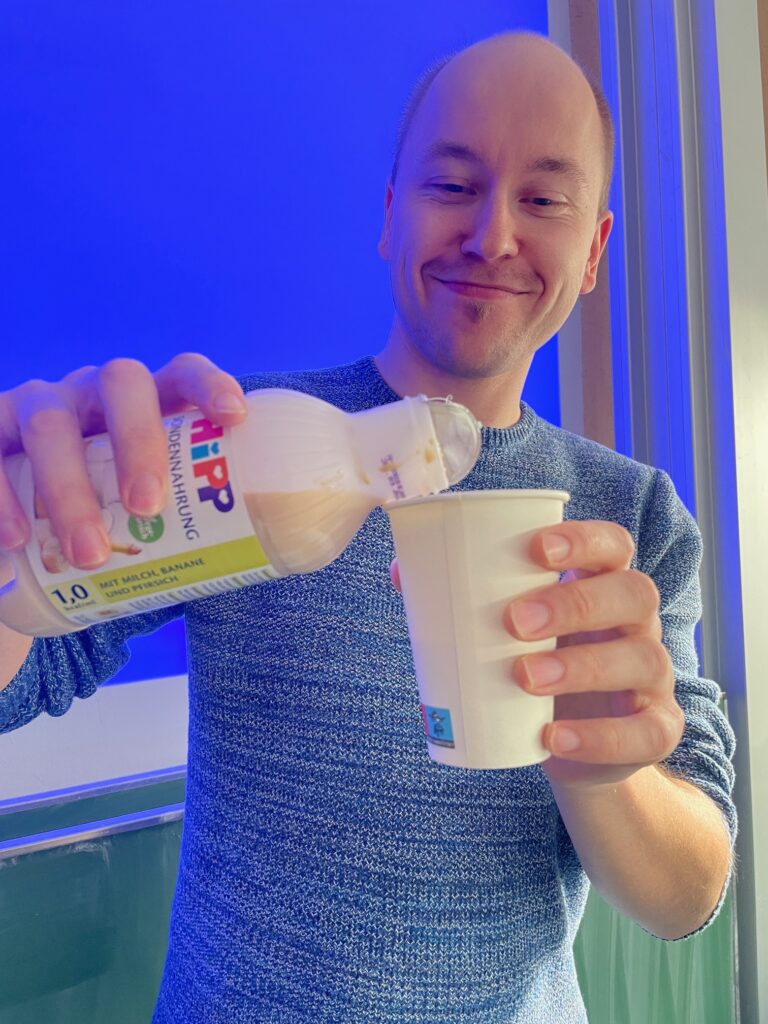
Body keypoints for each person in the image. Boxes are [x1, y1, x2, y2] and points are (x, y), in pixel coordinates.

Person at [0, 30, 736, 1024]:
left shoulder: (631, 513)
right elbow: (29, 669)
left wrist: (603, 773)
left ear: (594, 251)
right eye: (452, 185)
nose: (493, 236)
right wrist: (18, 535)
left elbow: (690, 895)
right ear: (390, 216)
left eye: (544, 200)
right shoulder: (235, 446)